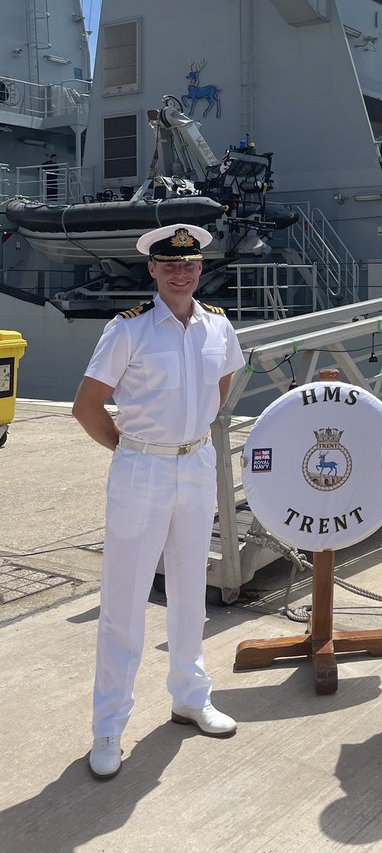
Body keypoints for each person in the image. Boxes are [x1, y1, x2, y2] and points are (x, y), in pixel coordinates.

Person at [72, 224, 245, 780]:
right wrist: (131, 448)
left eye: (190, 264)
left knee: (192, 587)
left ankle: (190, 696)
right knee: (124, 600)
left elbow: (223, 380)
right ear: (153, 269)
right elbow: (88, 406)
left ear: (200, 268)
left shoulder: (217, 325)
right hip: (141, 468)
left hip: (194, 465)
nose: (181, 272)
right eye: (170, 265)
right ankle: (108, 724)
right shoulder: (129, 331)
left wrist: (188, 432)